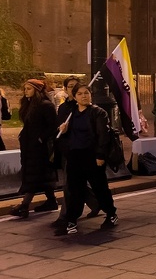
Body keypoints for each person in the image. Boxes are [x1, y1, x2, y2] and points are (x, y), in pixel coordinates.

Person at [54, 84, 118, 235]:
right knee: (75, 190)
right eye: (80, 94)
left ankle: (111, 213)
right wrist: (62, 131)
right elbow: (65, 136)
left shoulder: (98, 113)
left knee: (100, 188)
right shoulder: (71, 113)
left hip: (92, 156)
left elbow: (103, 136)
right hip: (75, 156)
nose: (84, 96)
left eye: (86, 93)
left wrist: (100, 156)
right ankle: (71, 220)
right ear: (75, 97)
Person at [9, 79, 58, 219]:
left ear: (37, 90)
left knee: (34, 174)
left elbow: (52, 126)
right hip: (29, 146)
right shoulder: (30, 105)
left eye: (29, 89)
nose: (26, 92)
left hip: (40, 148)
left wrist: (41, 138)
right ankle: (51, 201)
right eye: (25, 89)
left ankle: (24, 205)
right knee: (40, 174)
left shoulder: (45, 105)